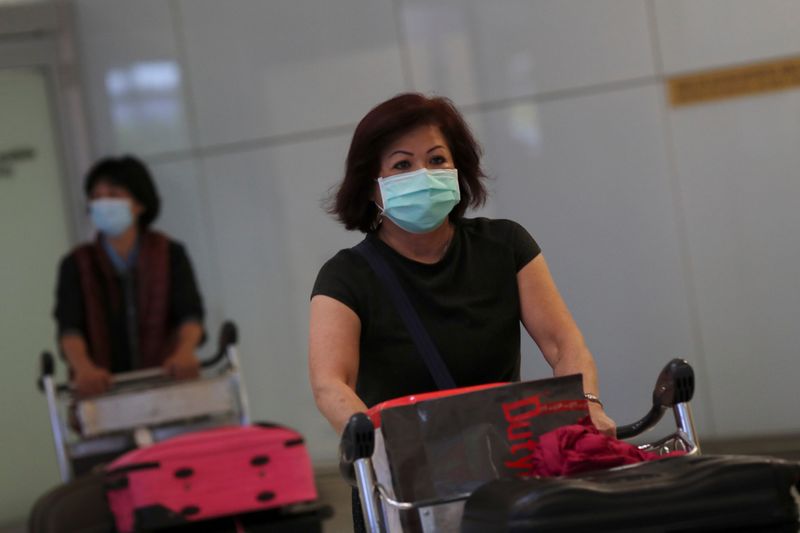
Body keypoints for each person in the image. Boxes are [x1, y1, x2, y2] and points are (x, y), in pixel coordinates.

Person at [309, 93, 615, 437]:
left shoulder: (504, 245)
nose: (423, 175)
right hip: (404, 474)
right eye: (402, 165)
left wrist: (587, 405)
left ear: (457, 170)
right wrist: (379, 448)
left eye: (437, 159)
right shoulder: (346, 276)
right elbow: (331, 385)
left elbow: (564, 345)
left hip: (507, 464)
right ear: (370, 188)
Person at [54, 155, 205, 397]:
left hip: (167, 385)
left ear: (139, 204)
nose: (103, 203)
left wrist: (185, 352)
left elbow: (190, 315)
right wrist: (83, 369)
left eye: (114, 195)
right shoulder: (76, 263)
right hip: (103, 392)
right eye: (96, 197)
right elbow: (70, 328)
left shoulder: (170, 254)